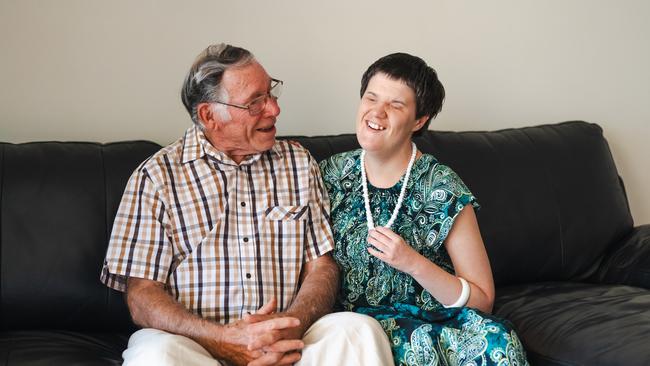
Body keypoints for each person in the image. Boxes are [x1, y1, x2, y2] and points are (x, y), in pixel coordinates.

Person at [100, 43, 394, 366]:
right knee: (155, 356)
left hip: (290, 343)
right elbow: (142, 295)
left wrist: (287, 329)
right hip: (196, 346)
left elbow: (321, 267)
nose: (274, 110)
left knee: (359, 332)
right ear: (209, 115)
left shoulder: (297, 163)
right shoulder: (156, 178)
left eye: (271, 94)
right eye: (255, 103)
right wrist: (224, 340)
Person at [319, 53, 529, 365]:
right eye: (371, 98)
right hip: (355, 329)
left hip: (434, 323)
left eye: (395, 105)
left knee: (497, 340)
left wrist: (412, 262)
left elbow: (482, 300)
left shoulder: (441, 187)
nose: (376, 112)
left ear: (420, 120)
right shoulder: (329, 174)